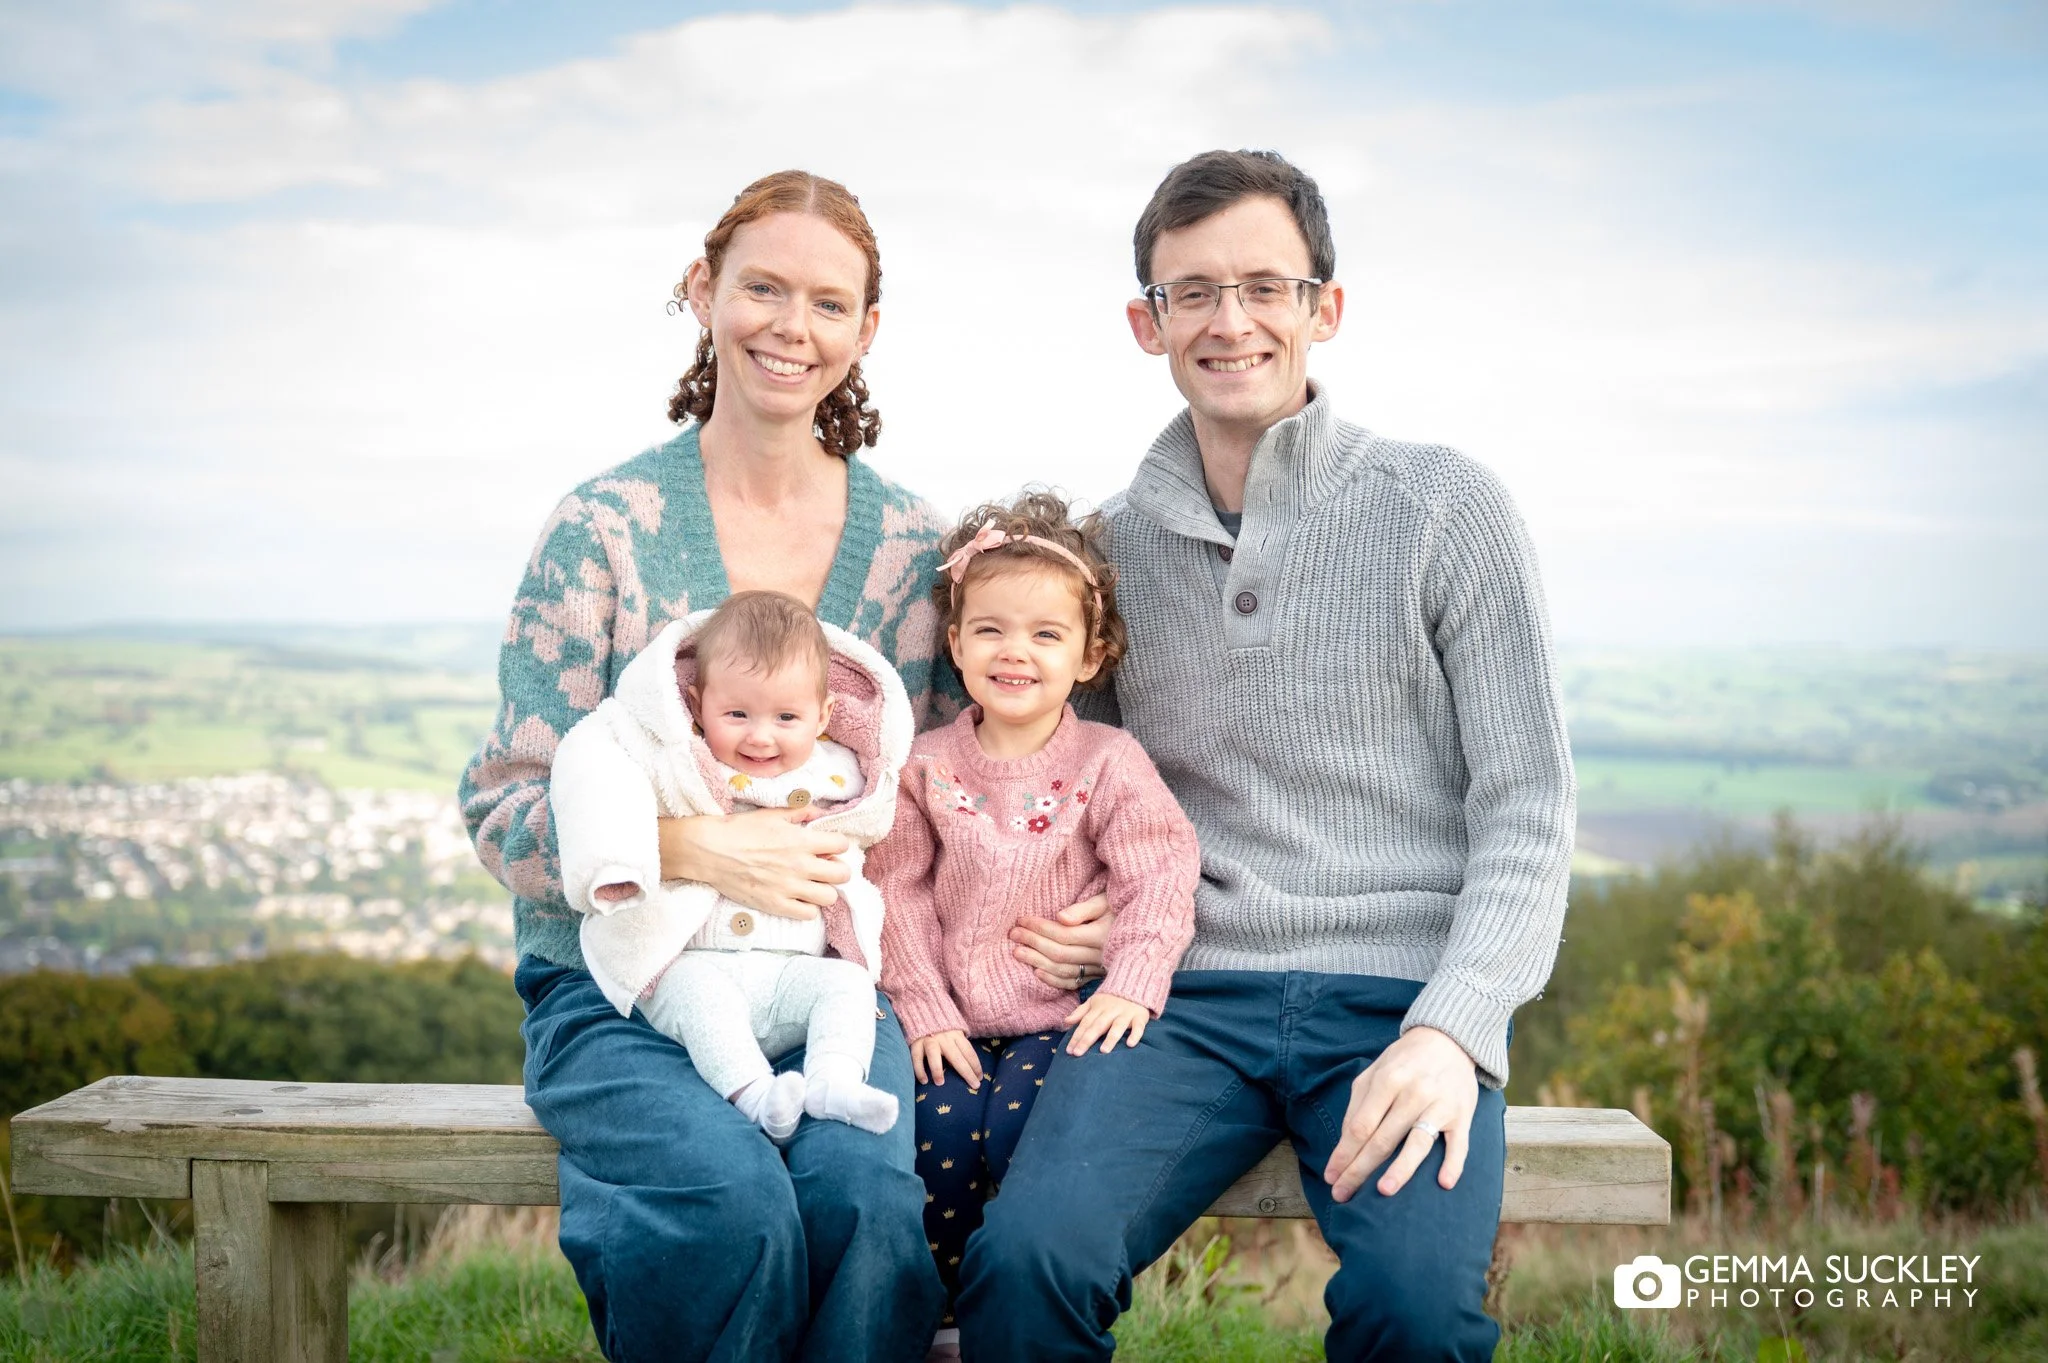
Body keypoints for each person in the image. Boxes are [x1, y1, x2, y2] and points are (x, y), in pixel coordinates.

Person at [957, 150, 1577, 1362]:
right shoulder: (1109, 551)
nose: (1227, 320)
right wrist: (1084, 906)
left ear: (1321, 310)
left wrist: (1454, 1032)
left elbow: (1527, 806)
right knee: (1024, 1263)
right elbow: (1081, 779)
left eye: (1261, 286)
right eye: (1190, 291)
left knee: (1415, 1315)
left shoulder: (1444, 508)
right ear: (1147, 323)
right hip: (1175, 1003)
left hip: (1397, 1002)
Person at [460, 169, 956, 1362]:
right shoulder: (606, 530)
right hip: (623, 989)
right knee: (723, 1206)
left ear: (865, 331)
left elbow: (937, 797)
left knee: (865, 1201)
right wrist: (681, 846)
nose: (793, 326)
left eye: (828, 303)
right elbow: (501, 805)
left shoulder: (910, 550)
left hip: (819, 977)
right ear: (702, 292)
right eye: (762, 289)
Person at [869, 492, 1201, 1359]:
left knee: (1033, 1137)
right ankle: (937, 1320)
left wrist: (1133, 977)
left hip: (1063, 1018)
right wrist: (923, 1006)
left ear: (1091, 655)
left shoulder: (1109, 763)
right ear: (955, 642)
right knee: (935, 1129)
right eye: (991, 630)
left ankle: (1016, 1316)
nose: (1015, 651)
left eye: (1046, 634)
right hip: (951, 1021)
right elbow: (890, 890)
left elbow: (1160, 873)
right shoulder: (928, 766)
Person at [550, 590, 913, 1141]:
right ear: (695, 706)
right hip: (690, 961)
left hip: (793, 969)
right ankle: (754, 1094)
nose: (760, 735)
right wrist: (617, 857)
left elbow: (879, 828)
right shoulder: (672, 765)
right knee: (701, 999)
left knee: (847, 986)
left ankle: (833, 1080)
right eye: (736, 714)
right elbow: (598, 779)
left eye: (786, 717)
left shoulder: (849, 776)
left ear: (825, 716)